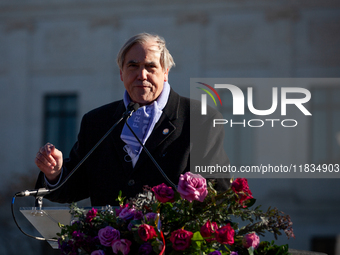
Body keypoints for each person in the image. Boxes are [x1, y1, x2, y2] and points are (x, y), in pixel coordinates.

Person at [35, 33, 230, 206]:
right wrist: (55, 173)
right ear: (121, 73)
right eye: (133, 66)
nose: (141, 75)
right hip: (111, 245)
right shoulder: (97, 121)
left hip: (173, 243)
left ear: (165, 73)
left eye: (150, 67)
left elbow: (217, 189)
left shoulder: (201, 118)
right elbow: (77, 186)